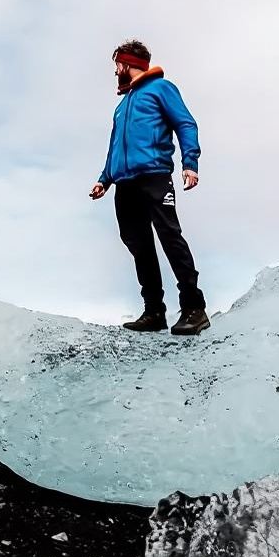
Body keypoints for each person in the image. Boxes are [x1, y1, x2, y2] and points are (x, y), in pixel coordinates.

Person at [89, 39, 210, 335]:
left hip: (154, 175)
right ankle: (154, 311)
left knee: (170, 236)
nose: (115, 70)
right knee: (138, 244)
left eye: (117, 64)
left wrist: (190, 163)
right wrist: (105, 179)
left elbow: (185, 123)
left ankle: (194, 308)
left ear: (127, 63)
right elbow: (115, 146)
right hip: (124, 184)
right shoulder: (122, 106)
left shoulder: (161, 89)